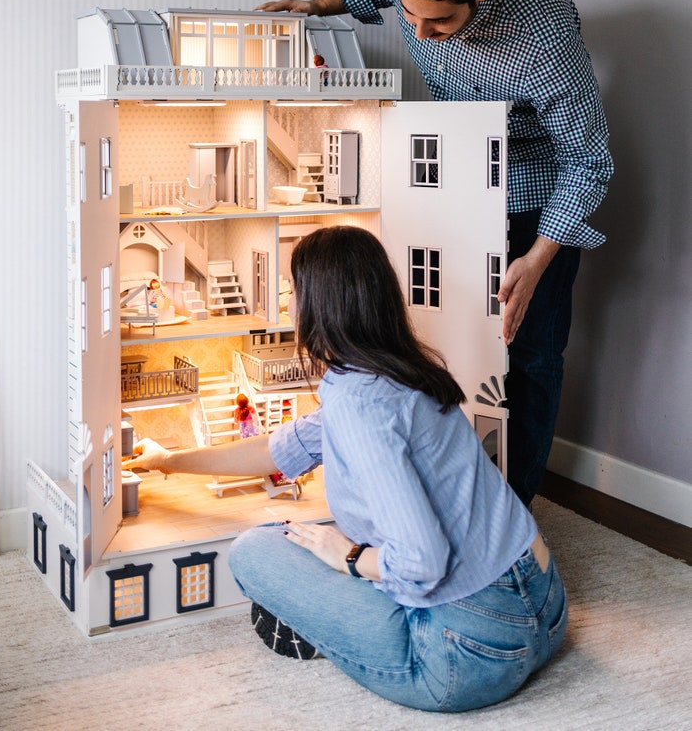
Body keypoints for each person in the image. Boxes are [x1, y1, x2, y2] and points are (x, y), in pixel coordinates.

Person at [132, 227, 567, 713]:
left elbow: (422, 560)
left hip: (468, 654)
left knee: (257, 551)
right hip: (547, 609)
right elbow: (279, 451)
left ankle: (337, 623)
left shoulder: (357, 403)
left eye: (292, 292)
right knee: (311, 537)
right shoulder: (399, 370)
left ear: (321, 305)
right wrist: (168, 461)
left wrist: (351, 557)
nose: (288, 305)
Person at [258, 0, 613, 507]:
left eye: (440, 23)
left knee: (527, 355)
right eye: (410, 15)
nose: (420, 36)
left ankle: (514, 516)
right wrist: (313, 7)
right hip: (453, 178)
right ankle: (448, 493)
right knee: (440, 338)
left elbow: (588, 160)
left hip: (535, 196)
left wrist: (536, 259)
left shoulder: (545, 34)